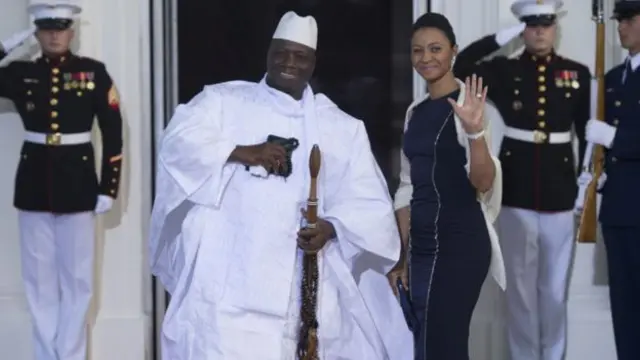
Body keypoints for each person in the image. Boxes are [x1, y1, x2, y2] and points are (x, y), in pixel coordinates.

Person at [149, 11, 412, 360]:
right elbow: (177, 142)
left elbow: (367, 202)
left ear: (313, 63)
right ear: (268, 54)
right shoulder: (224, 102)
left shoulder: (340, 128)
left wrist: (331, 229)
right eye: (281, 52)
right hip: (228, 287)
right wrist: (241, 152)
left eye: (300, 55)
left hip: (300, 291)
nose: (289, 62)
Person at [452, 1, 591, 358]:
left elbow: (587, 138)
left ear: (555, 27)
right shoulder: (504, 71)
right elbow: (463, 65)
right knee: (521, 293)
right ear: (522, 29)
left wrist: (584, 190)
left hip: (561, 193)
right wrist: (503, 37)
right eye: (531, 25)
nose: (539, 31)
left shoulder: (576, 73)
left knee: (554, 290)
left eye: (545, 24)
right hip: (516, 192)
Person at [0, 2, 123, 359]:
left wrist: (108, 187)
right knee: (38, 283)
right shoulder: (20, 72)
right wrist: (9, 45)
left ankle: (69, 354)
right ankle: (45, 355)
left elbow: (113, 133)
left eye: (61, 28)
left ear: (72, 31)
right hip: (34, 186)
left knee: (78, 281)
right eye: (46, 28)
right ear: (36, 33)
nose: (55, 35)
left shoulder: (93, 73)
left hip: (79, 185)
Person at [387, 12, 504, 360]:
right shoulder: (415, 111)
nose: (426, 58)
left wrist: (474, 132)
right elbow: (408, 186)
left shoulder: (471, 106)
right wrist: (403, 257)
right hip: (421, 248)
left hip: (461, 245)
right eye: (418, 50)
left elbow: (483, 183)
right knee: (424, 345)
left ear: (453, 51)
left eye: (436, 48)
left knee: (444, 346)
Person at [578, 1, 640, 358]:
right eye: (619, 20)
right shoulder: (615, 78)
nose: (621, 27)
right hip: (617, 211)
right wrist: (594, 174)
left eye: (629, 19)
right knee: (624, 309)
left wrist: (615, 139)